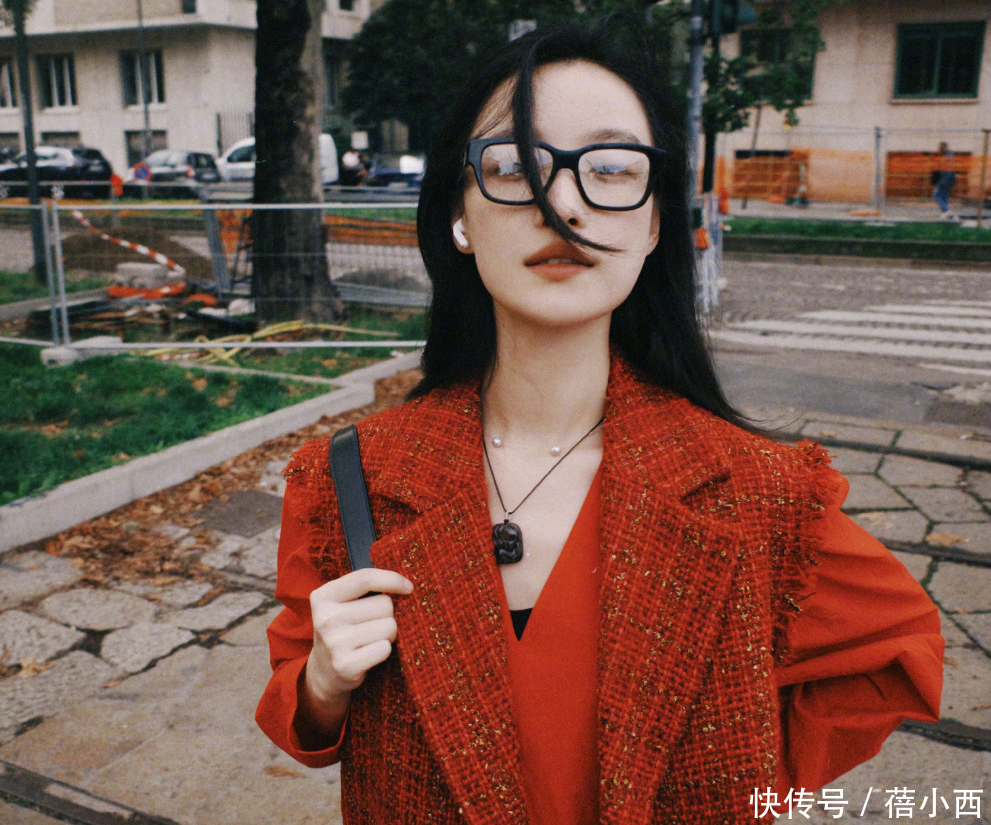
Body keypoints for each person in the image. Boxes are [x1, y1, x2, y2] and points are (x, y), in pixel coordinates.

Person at [257, 17, 944, 824]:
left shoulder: (758, 490)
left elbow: (896, 652)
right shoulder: (348, 478)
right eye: (514, 166)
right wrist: (323, 681)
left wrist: (736, 777)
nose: (562, 203)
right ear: (457, 216)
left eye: (612, 167)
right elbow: (301, 717)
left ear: (651, 222)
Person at [933, 141, 958, 219]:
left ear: (945, 147)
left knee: (937, 195)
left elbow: (948, 170)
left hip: (945, 180)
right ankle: (947, 213)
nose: (939, 149)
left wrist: (944, 181)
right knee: (944, 196)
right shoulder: (948, 155)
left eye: (941, 147)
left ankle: (946, 211)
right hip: (948, 179)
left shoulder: (947, 157)